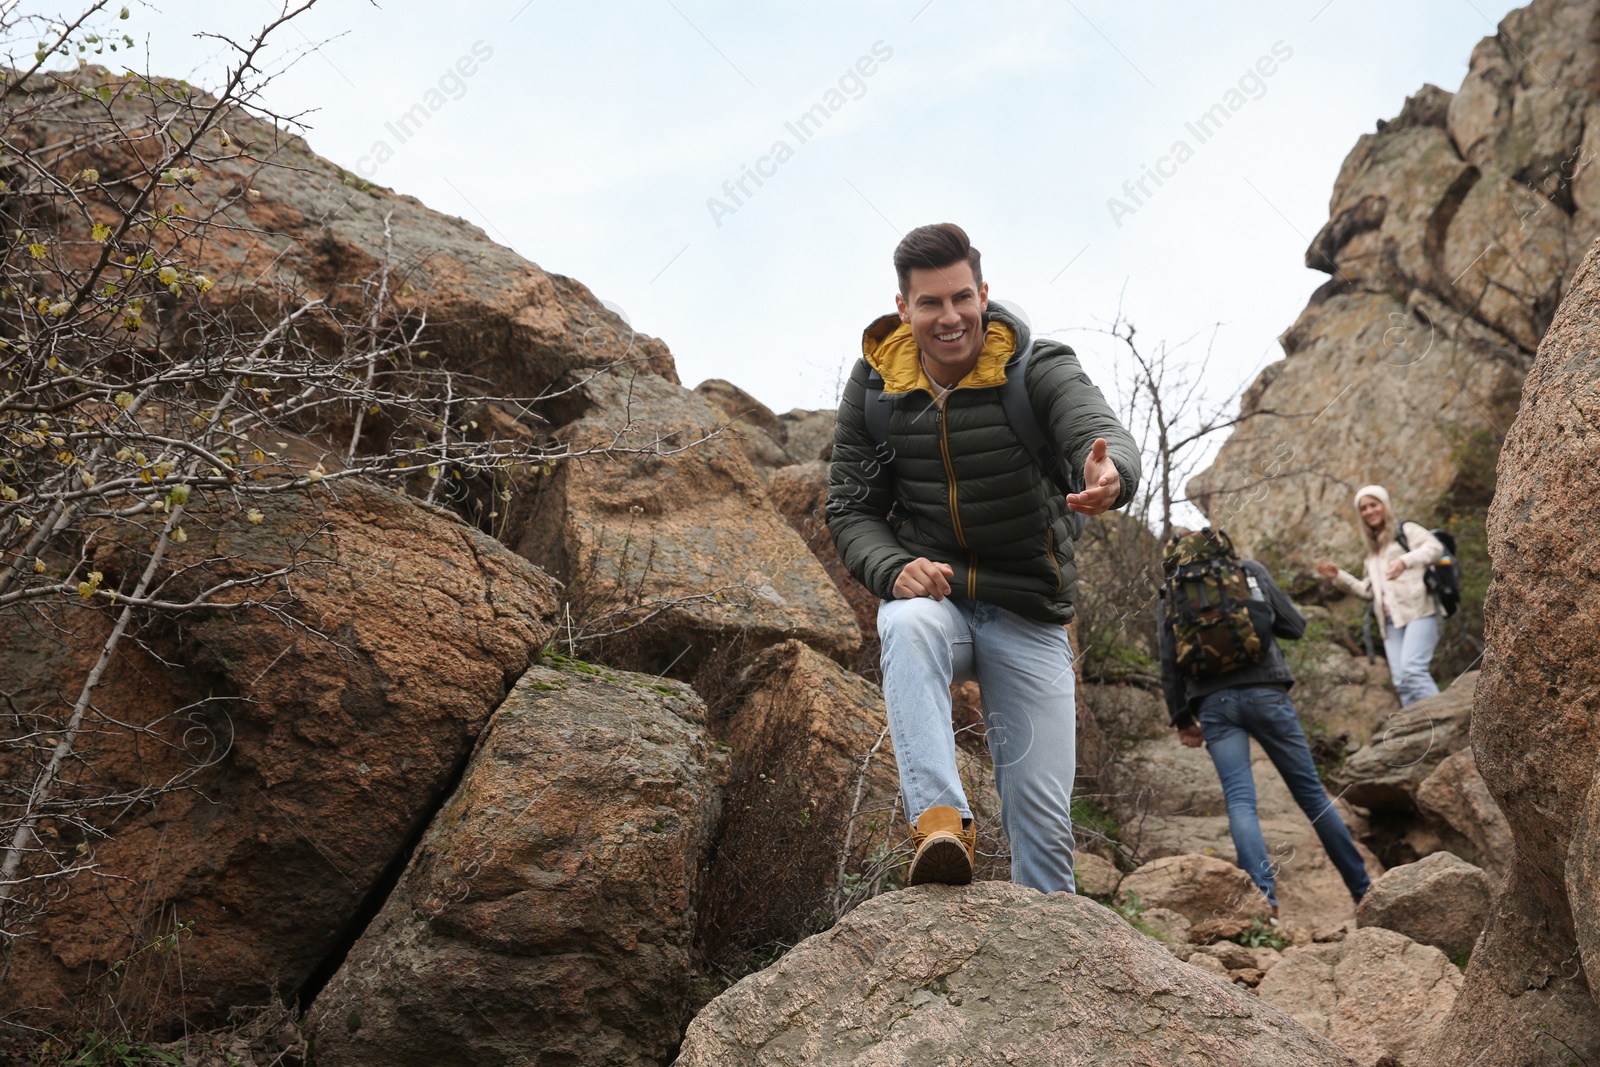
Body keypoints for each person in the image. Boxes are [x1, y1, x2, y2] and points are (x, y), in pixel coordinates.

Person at [826, 222, 1140, 893]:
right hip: (941, 603)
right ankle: (941, 823)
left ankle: (1053, 976)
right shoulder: (879, 386)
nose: (950, 317)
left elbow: (1098, 427)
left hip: (1028, 612)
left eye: (961, 298)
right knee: (903, 621)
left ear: (984, 293)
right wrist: (892, 568)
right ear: (903, 306)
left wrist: (1112, 476)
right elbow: (850, 508)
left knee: (1046, 842)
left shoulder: (1033, 367)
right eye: (931, 303)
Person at [1157, 528, 1371, 915]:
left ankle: (1263, 905)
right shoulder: (1247, 570)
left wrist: (1181, 717)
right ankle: (1363, 892)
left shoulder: (1172, 590)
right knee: (1313, 797)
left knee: (1241, 802)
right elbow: (1295, 625)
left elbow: (1168, 658)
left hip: (1213, 704)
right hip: (1267, 693)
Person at [1315, 485, 1445, 707]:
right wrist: (1338, 576)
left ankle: (1443, 718)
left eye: (1373, 505)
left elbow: (1435, 549)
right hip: (1390, 622)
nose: (1369, 511)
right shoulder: (1372, 552)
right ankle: (1420, 732)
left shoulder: (1405, 531)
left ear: (1384, 506)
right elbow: (1367, 592)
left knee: (1413, 670)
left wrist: (1405, 561)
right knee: (1402, 681)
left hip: (1420, 611)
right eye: (1363, 508)